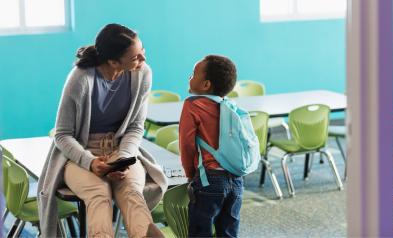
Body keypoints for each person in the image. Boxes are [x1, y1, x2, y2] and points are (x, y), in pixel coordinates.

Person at [37, 23, 168, 238]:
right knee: (99, 195)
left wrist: (124, 158)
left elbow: (135, 127)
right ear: (113, 61)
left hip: (121, 150)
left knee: (132, 194)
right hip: (80, 154)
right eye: (136, 57)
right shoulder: (80, 78)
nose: (143, 60)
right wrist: (90, 162)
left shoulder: (142, 74)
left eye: (142, 52)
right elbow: (62, 135)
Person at [179, 55, 243, 237]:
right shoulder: (230, 106)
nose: (189, 77)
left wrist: (190, 175)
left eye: (193, 74)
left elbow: (187, 145)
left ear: (206, 85)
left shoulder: (192, 105)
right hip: (236, 180)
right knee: (228, 232)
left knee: (201, 232)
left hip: (209, 180)